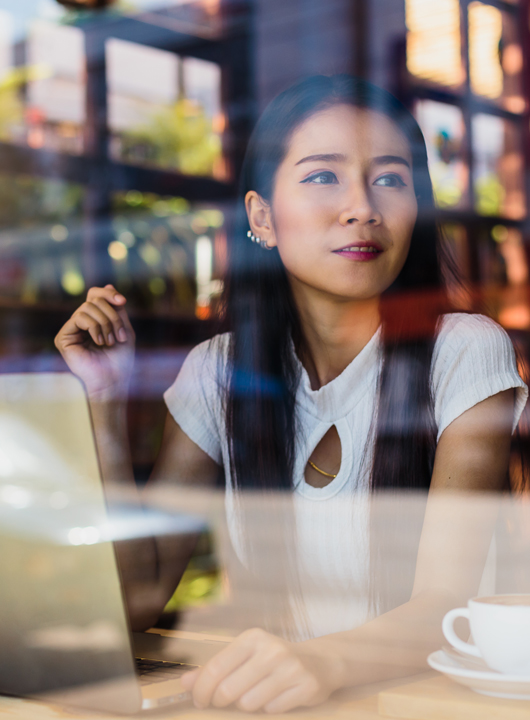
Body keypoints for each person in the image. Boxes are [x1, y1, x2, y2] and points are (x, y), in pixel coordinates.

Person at [55, 75, 528, 713]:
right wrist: (104, 407)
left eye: (390, 179)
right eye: (322, 176)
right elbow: (137, 598)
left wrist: (318, 660)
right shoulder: (217, 373)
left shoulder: (465, 350)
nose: (362, 206)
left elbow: (444, 606)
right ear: (261, 217)